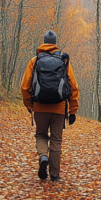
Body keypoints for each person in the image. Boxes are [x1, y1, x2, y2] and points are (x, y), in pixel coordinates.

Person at [21, 30, 79, 181]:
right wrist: (73, 110)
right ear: (55, 43)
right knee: (56, 140)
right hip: (59, 108)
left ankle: (43, 157)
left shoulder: (35, 60)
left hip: (39, 106)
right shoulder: (64, 60)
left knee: (41, 135)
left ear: (44, 42)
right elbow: (73, 86)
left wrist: (29, 105)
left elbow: (25, 86)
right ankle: (54, 175)